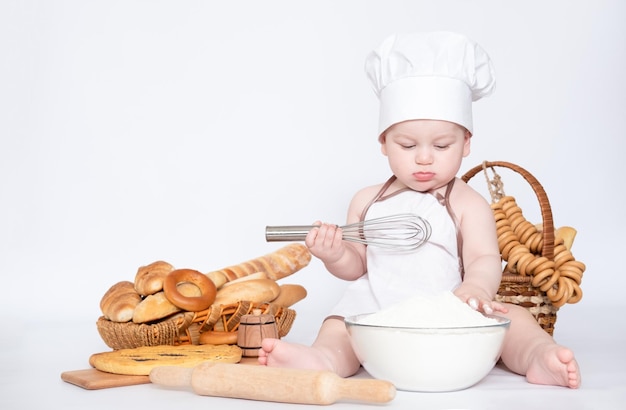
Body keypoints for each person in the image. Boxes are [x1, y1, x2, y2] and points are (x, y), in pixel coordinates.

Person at [258, 31, 580, 389]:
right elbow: (356, 266)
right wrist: (334, 254)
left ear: (467, 143)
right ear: (383, 143)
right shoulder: (366, 201)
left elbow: (484, 258)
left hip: (447, 309)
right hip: (376, 310)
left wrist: (474, 289)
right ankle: (322, 360)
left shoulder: (468, 202)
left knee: (515, 321)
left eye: (442, 145)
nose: (424, 157)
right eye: (407, 144)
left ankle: (537, 355)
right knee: (338, 326)